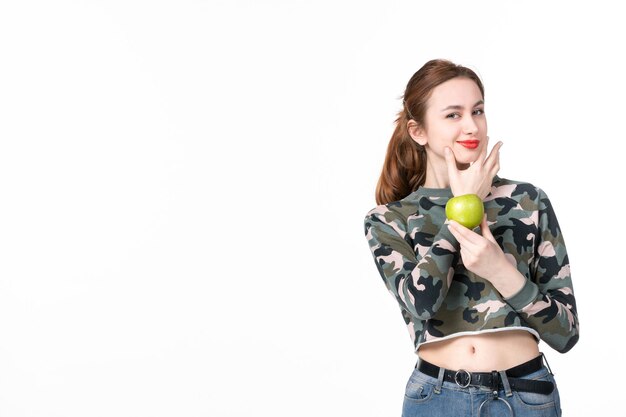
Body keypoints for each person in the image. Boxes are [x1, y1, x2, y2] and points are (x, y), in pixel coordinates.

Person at [363, 59, 579, 417]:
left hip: (527, 395)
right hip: (437, 398)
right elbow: (422, 304)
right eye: (453, 115)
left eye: (477, 110)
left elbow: (565, 334)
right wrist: (465, 205)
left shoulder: (527, 201)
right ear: (419, 131)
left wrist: (500, 272)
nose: (471, 126)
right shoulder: (388, 220)